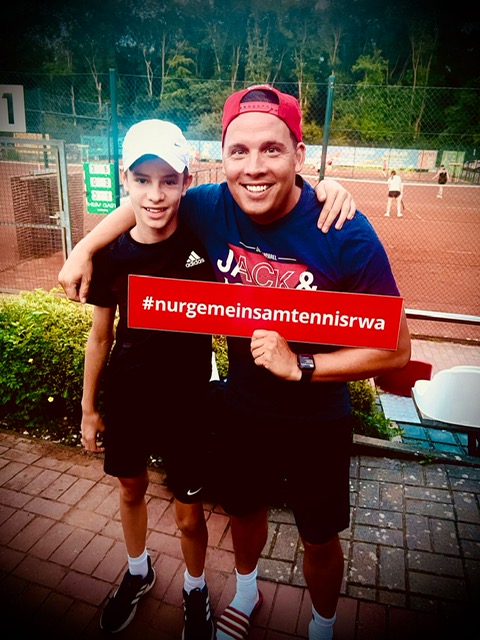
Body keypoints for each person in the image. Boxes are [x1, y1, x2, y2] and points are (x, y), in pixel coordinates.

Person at [59, 84, 410, 640]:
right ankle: (246, 593)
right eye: (239, 151)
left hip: (318, 419)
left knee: (318, 538)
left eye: (272, 149)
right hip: (243, 410)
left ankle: (322, 626)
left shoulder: (343, 229)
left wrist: (304, 367)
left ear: (299, 153)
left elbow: (396, 348)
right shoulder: (211, 205)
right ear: (221, 159)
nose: (254, 167)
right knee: (244, 512)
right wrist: (82, 248)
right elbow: (143, 201)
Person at [80, 119, 217, 638]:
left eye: (168, 181)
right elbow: (99, 337)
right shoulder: (111, 254)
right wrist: (89, 408)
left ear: (187, 182)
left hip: (189, 403)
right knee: (131, 489)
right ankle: (138, 572)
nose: (155, 195)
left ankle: (196, 588)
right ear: (125, 180)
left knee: (189, 515)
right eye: (142, 180)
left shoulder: (204, 240)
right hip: (129, 398)